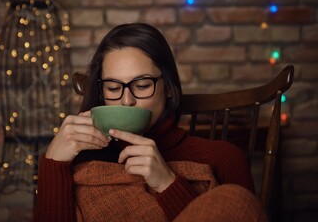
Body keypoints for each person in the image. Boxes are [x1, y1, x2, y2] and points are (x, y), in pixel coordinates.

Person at [34, 23, 266, 222]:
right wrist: (54, 162)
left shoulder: (223, 158)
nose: (127, 100)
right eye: (113, 88)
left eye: (142, 85)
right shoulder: (82, 161)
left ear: (168, 89)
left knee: (237, 201)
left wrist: (167, 183)